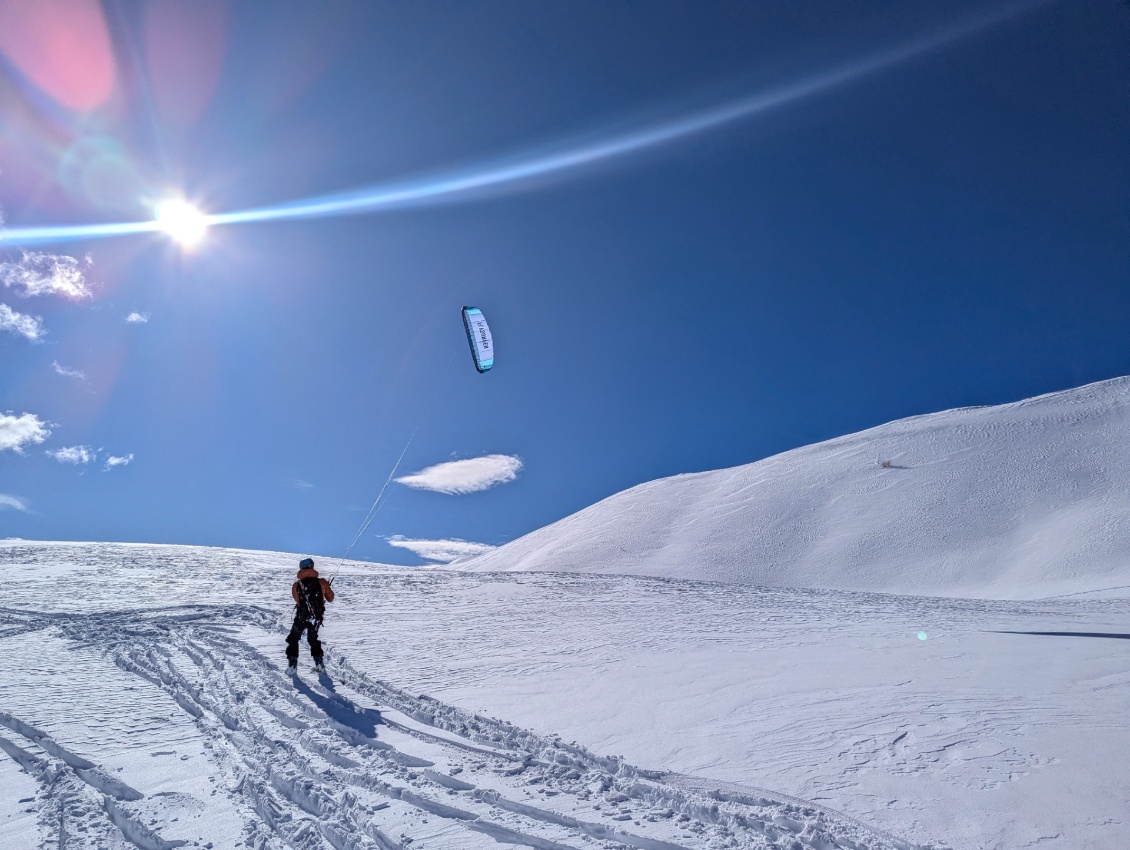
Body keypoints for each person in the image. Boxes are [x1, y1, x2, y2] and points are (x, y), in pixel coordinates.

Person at [286, 557, 335, 672]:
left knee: (293, 638)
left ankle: (292, 665)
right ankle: (319, 664)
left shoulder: (296, 585)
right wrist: (327, 588)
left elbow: (297, 601)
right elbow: (331, 598)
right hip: (316, 618)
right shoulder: (322, 582)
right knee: (313, 640)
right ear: (312, 567)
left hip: (301, 617)